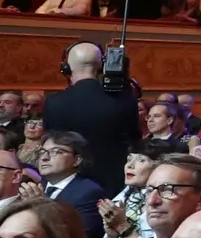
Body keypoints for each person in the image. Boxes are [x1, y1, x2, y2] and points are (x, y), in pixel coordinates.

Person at [41, 41, 138, 196]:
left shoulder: (54, 102)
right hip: (114, 185)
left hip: (67, 185)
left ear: (67, 67)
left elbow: (49, 142)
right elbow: (135, 140)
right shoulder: (125, 99)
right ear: (101, 66)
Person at [33, 130, 109, 238]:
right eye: (42, 152)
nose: (44, 157)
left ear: (77, 160)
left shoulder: (89, 192)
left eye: (56, 152)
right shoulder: (35, 186)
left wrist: (42, 206)